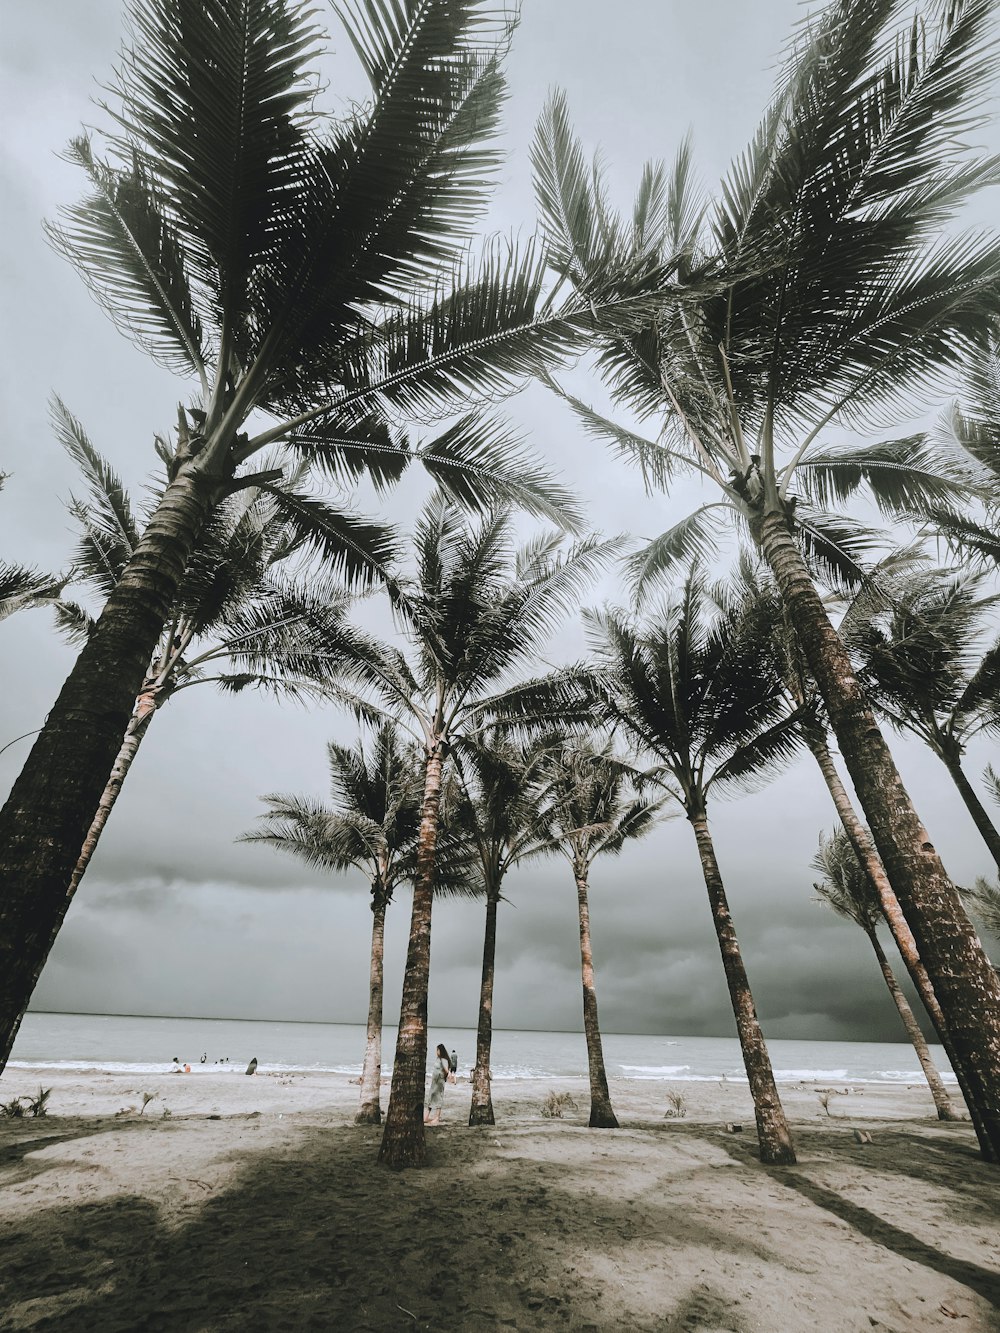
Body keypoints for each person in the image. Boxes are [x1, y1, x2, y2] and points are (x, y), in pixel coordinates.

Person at [424, 1044, 451, 1125]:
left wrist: (450, 1075)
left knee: (438, 1098)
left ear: (441, 1051)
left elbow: (446, 1070)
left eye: (438, 1050)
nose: (436, 1052)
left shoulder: (443, 1059)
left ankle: (437, 1118)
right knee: (431, 1097)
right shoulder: (438, 1059)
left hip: (439, 1082)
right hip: (434, 1082)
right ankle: (426, 1116)